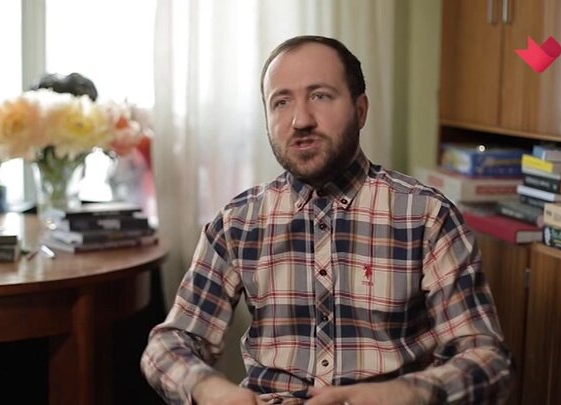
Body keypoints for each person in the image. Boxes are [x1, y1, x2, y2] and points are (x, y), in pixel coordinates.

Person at [142, 35, 513, 405]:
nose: (300, 120)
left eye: (320, 96)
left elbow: (488, 360)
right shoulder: (236, 223)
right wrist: (212, 392)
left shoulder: (428, 216)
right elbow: (169, 344)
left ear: (360, 110)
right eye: (281, 102)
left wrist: (407, 393)